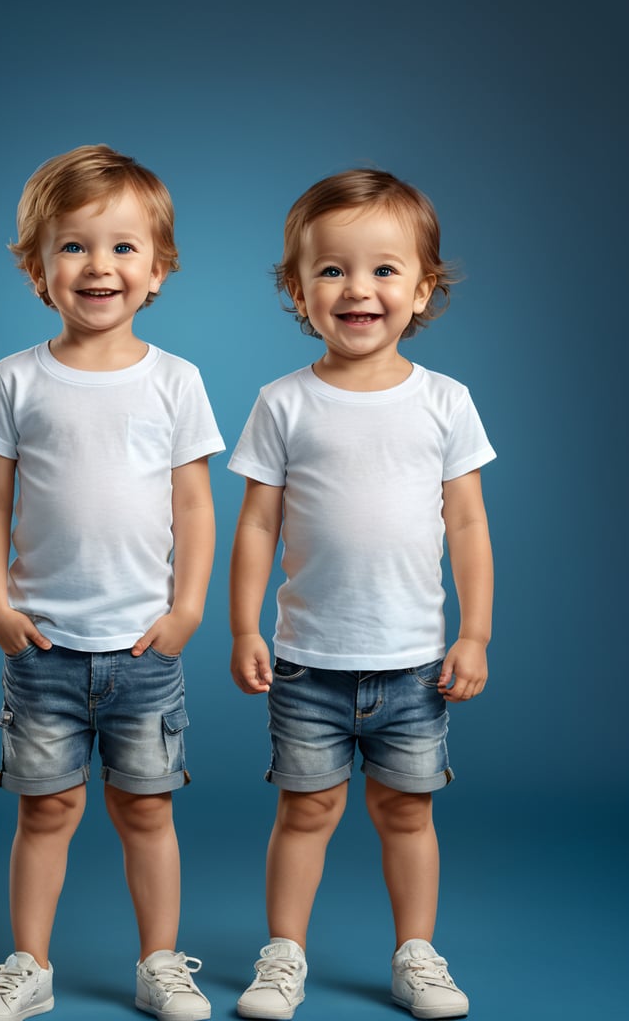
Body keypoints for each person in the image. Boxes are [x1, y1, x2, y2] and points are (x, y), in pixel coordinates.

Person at [0, 145, 224, 1021]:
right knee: (46, 813)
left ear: (157, 269)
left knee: (147, 814)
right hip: (43, 647)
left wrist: (189, 608)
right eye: (73, 247)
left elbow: (195, 504)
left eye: (122, 248)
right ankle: (28, 967)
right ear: (37, 267)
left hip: (143, 648)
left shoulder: (175, 381)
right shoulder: (16, 378)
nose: (98, 266)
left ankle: (159, 964)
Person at [228, 168, 495, 1020]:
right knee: (305, 812)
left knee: (405, 814)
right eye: (332, 270)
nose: (358, 289)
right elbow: (257, 528)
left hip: (414, 664)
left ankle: (415, 952)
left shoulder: (443, 403)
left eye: (384, 270)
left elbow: (466, 529)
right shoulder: (283, 403)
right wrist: (243, 627)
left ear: (421, 289)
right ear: (299, 289)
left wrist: (475, 634)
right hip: (309, 661)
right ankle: (283, 956)